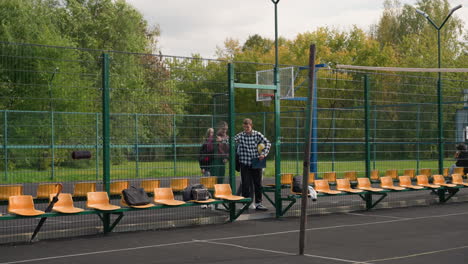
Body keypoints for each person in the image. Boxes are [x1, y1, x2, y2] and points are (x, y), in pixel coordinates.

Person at [234, 118, 271, 211]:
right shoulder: (240, 135)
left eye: (248, 127)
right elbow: (230, 141)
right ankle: (245, 203)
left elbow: (268, 143)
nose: (246, 129)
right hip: (244, 163)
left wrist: (263, 154)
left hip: (256, 161)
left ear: (251, 126)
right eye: (244, 127)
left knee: (258, 184)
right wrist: (223, 140)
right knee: (245, 184)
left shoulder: (257, 134)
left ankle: (258, 203)